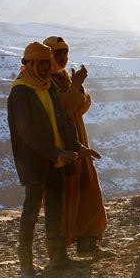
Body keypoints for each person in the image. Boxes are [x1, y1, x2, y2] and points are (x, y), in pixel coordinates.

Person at [7, 42, 101, 278]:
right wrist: (56, 153)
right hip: (35, 163)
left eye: (46, 63)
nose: (43, 67)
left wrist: (79, 148)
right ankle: (26, 265)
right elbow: (27, 132)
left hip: (57, 160)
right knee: (30, 213)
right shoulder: (20, 92)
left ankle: (58, 258)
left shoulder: (49, 88)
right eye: (39, 63)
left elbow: (65, 124)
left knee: (55, 211)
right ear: (27, 64)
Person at [42, 36, 108, 255]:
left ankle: (88, 242)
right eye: (56, 53)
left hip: (79, 139)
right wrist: (77, 85)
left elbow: (78, 108)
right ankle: (60, 250)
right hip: (63, 144)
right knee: (68, 193)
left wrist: (78, 87)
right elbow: (60, 109)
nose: (62, 58)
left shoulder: (62, 78)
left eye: (64, 53)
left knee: (88, 188)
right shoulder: (44, 81)